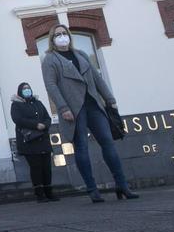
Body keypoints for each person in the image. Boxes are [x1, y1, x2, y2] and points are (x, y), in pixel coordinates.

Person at [41, 24, 138, 202]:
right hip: (74, 109)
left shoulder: (81, 54)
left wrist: (110, 99)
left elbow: (96, 77)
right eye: (58, 35)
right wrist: (63, 108)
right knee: (82, 147)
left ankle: (122, 185)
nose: (62, 37)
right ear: (52, 39)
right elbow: (51, 86)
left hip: (93, 104)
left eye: (64, 34)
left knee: (108, 142)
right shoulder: (50, 59)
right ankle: (92, 189)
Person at [10, 82, 58, 202]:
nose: (27, 90)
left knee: (46, 167)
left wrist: (45, 125)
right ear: (20, 91)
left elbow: (47, 117)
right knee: (36, 168)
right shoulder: (16, 105)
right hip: (29, 141)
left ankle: (49, 192)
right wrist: (36, 125)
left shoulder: (38, 103)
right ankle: (40, 194)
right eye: (24, 89)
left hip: (43, 140)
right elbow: (18, 119)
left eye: (28, 88)